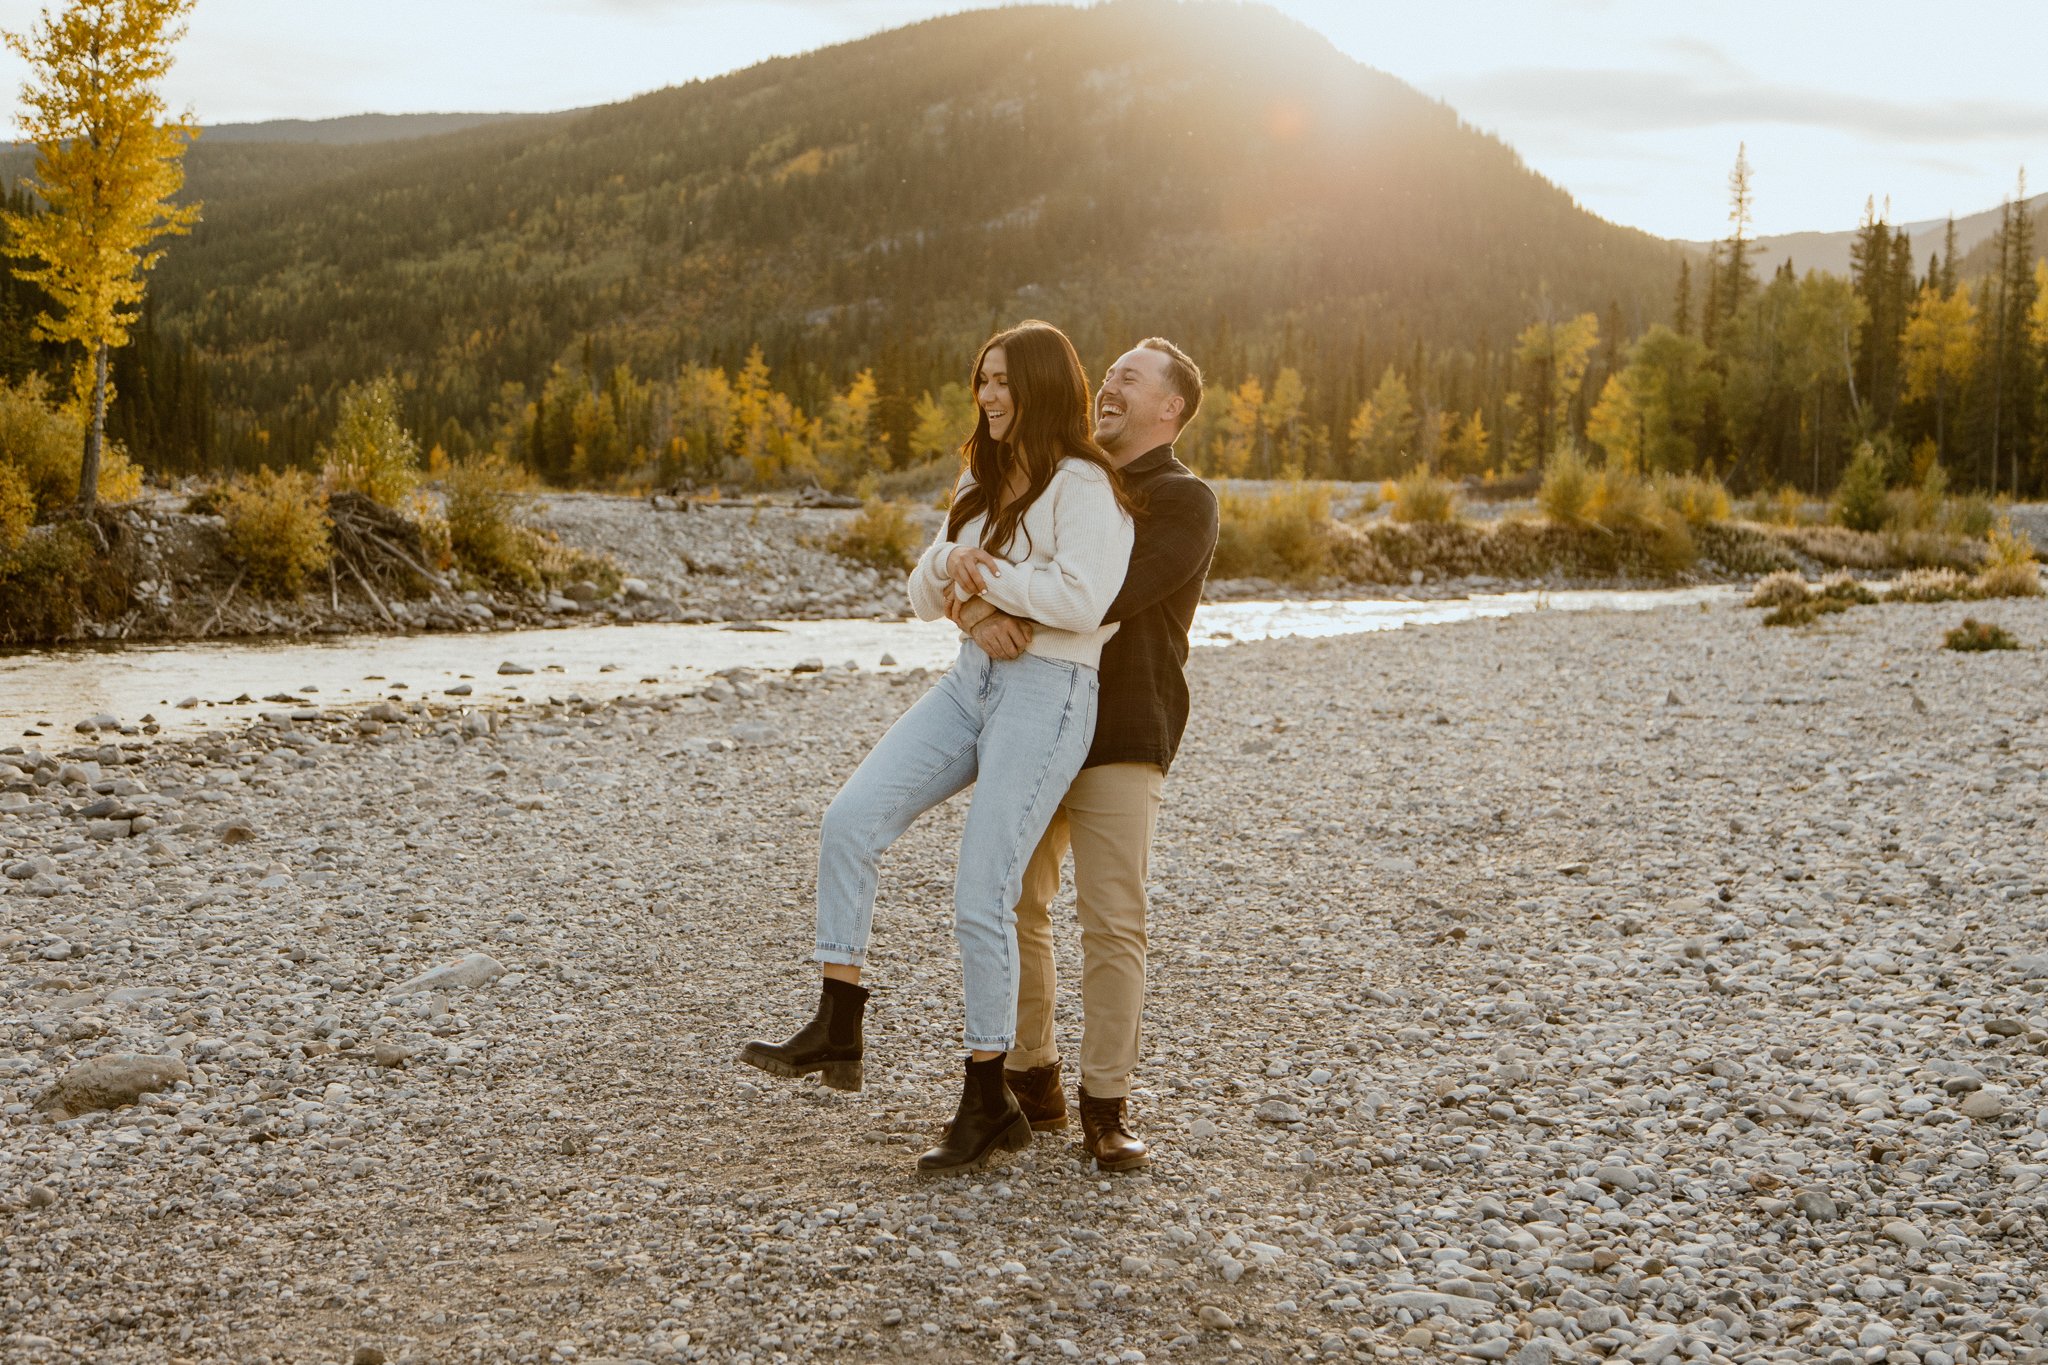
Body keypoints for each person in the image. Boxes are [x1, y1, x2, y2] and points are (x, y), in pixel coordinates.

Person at [739, 320, 1136, 1174]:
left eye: (1002, 381)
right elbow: (922, 585)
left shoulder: (1085, 485)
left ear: (1039, 385)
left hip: (1053, 690)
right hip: (971, 681)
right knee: (849, 819)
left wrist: (981, 576)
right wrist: (968, 598)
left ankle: (987, 1094)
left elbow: (1084, 595)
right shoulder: (980, 476)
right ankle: (838, 1022)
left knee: (979, 892)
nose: (989, 396)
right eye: (981, 380)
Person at [948, 337, 1217, 1172]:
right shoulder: (1060, 476)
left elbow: (1100, 596)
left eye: (1129, 380)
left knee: (1113, 919)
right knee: (1013, 898)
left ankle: (1108, 1104)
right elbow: (978, 556)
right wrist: (968, 610)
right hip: (1028, 717)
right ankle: (1033, 1076)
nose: (1107, 386)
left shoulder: (1184, 500)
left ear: (1168, 408)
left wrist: (991, 597)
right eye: (1105, 376)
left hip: (1123, 727)